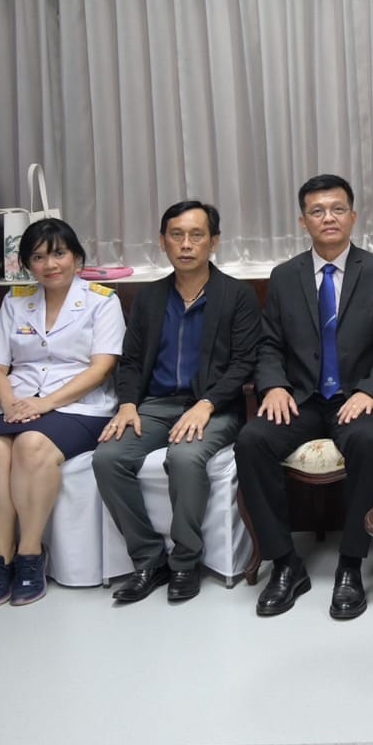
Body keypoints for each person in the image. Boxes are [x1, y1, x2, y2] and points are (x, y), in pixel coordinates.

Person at [234, 175, 373, 620]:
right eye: (317, 211)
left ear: (353, 216)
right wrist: (274, 385)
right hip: (302, 398)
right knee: (252, 441)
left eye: (337, 209)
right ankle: (285, 563)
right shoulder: (285, 276)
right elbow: (269, 344)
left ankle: (350, 565)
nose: (328, 218)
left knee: (366, 442)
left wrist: (371, 390)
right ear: (303, 221)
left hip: (358, 398)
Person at [93, 201, 262, 605]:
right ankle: (149, 560)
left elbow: (245, 362)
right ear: (162, 241)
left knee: (184, 458)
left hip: (214, 407)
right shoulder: (150, 297)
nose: (186, 244)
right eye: (177, 235)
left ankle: (185, 561)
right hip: (154, 404)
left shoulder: (237, 295)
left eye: (196, 235)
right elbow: (131, 360)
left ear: (214, 242)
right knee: (108, 458)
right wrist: (128, 404)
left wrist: (207, 403)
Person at [0, 218, 126, 608]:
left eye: (59, 254)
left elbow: (102, 368)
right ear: (27, 264)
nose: (50, 264)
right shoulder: (15, 301)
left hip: (80, 406)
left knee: (32, 445)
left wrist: (45, 403)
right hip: (17, 401)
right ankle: (0, 561)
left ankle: (29, 555)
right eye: (38, 257)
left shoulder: (101, 300)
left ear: (76, 258)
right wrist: (9, 402)